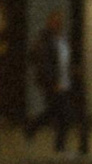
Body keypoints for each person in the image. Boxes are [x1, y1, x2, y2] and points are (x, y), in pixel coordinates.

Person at [28, 9, 76, 151]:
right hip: (53, 83)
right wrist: (52, 82)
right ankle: (58, 144)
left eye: (59, 22)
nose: (58, 24)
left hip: (65, 81)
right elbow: (44, 63)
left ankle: (33, 126)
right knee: (63, 113)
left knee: (55, 112)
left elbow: (67, 59)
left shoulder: (63, 39)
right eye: (55, 22)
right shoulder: (44, 40)